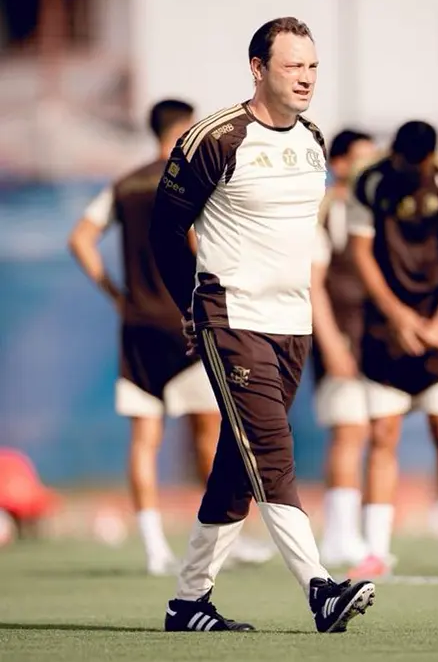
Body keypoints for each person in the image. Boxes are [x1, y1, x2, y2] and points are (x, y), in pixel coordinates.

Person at [149, 17, 376, 633]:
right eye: (291, 66)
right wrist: (190, 307)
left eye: (312, 66)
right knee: (273, 454)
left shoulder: (313, 138)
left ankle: (188, 602)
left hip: (292, 324)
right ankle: (321, 591)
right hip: (233, 318)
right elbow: (163, 229)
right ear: (258, 69)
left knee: (237, 467)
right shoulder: (215, 139)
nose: (305, 78)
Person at [69, 99, 274, 577]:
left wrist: (115, 295)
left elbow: (80, 238)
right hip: (187, 323)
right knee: (209, 434)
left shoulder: (125, 182)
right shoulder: (188, 178)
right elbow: (195, 243)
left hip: (138, 325)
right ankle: (228, 540)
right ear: (183, 128)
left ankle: (153, 547)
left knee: (145, 438)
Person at [345, 120, 438, 580]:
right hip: (385, 334)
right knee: (382, 436)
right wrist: (399, 318)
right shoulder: (370, 181)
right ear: (397, 156)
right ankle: (375, 552)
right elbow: (361, 254)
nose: (414, 170)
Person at [310, 129, 379, 567]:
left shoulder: (373, 207)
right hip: (343, 335)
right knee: (349, 431)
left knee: (371, 431)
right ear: (339, 164)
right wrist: (332, 342)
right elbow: (313, 283)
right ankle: (338, 536)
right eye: (362, 159)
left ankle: (359, 534)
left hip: (374, 338)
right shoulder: (326, 211)